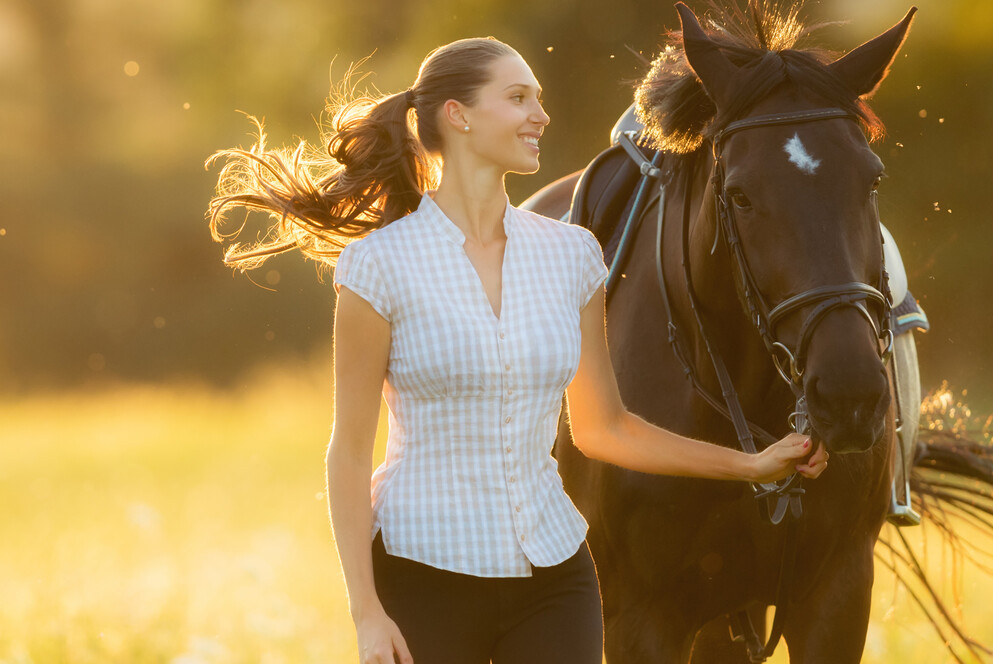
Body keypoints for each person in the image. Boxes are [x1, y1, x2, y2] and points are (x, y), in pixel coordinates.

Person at [207, 36, 828, 664]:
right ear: (459, 115)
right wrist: (367, 613)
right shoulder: (377, 266)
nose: (541, 115)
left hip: (555, 579)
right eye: (518, 98)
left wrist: (750, 465)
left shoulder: (573, 255)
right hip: (423, 577)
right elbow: (348, 453)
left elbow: (603, 428)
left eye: (539, 98)